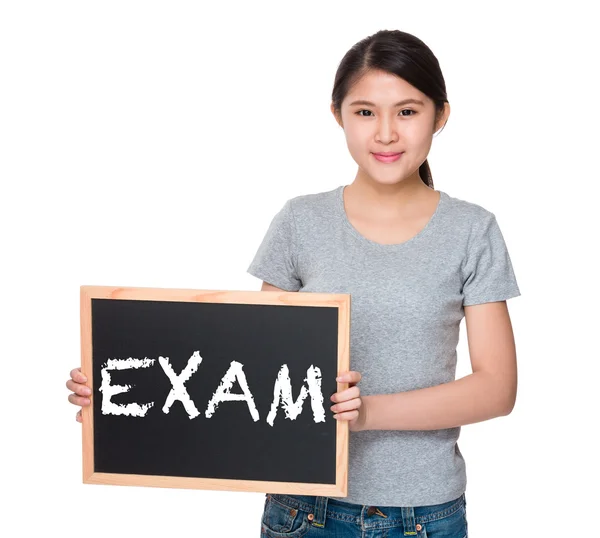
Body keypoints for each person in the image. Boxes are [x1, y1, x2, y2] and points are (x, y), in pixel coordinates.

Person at [67, 29, 521, 537]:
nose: (386, 133)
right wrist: (122, 397)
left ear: (441, 116)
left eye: (408, 111)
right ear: (338, 116)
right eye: (365, 111)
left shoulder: (471, 230)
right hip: (303, 510)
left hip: (421, 514)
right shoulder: (300, 223)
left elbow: (496, 389)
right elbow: (249, 370)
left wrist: (368, 412)